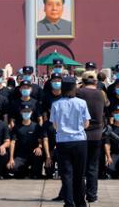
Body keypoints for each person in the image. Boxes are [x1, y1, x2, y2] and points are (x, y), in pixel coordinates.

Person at [50, 76, 91, 207]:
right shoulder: (81, 103)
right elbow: (86, 124)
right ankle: (80, 201)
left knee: (66, 174)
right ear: (74, 88)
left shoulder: (55, 104)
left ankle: (68, 202)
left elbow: (54, 125)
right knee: (80, 174)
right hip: (79, 141)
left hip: (62, 141)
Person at [77, 71, 106, 203]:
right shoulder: (101, 93)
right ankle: (92, 195)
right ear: (95, 82)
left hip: (81, 134)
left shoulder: (79, 92)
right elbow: (107, 105)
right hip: (97, 134)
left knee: (80, 167)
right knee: (93, 166)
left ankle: (80, 193)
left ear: (83, 81)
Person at [8, 103, 44, 179]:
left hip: (33, 154)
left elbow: (40, 141)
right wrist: (11, 158)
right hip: (21, 156)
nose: (26, 113)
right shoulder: (16, 127)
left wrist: (39, 147)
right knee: (12, 168)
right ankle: (25, 171)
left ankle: (34, 172)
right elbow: (13, 142)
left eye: (28, 112)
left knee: (39, 157)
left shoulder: (36, 126)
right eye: (24, 111)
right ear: (21, 113)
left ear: (31, 113)